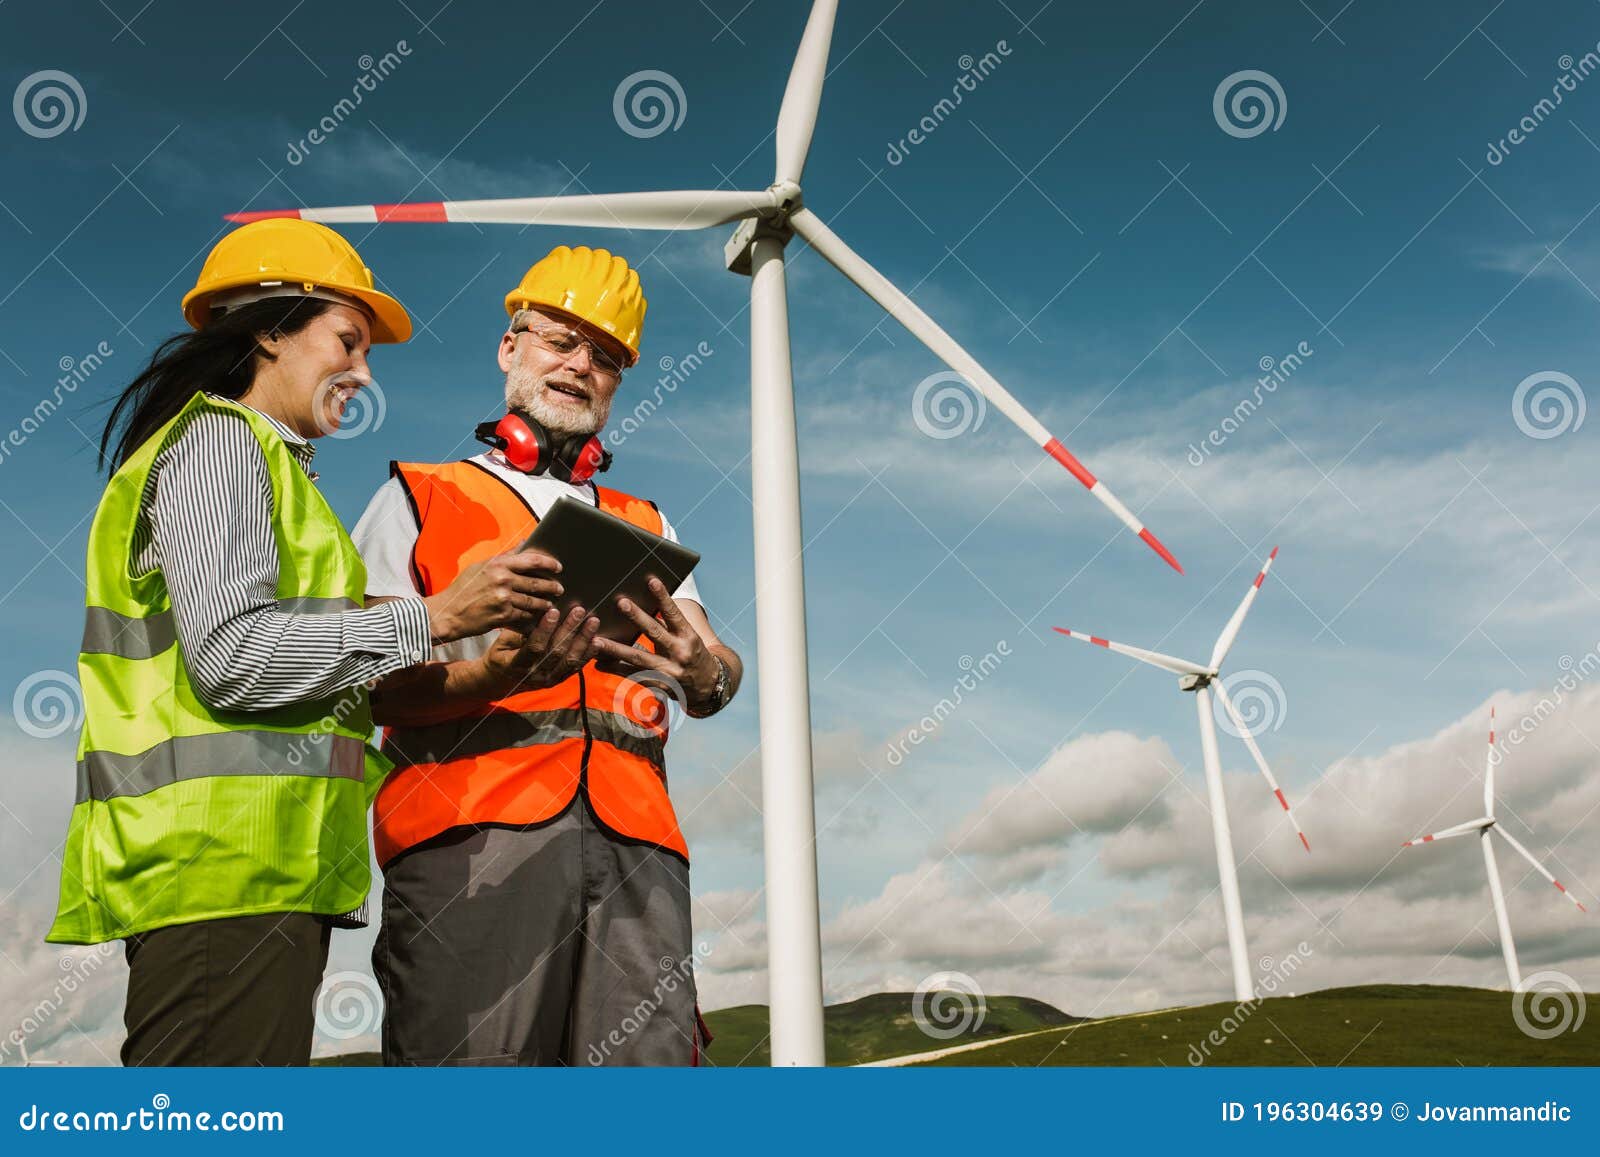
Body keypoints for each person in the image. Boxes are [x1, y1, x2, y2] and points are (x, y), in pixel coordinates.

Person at [46, 219, 562, 1066]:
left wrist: (483, 671)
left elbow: (312, 664)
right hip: (217, 875)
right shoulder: (217, 445)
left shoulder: (276, 475)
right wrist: (434, 615)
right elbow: (236, 660)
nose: (363, 373)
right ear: (268, 328)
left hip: (259, 878)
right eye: (348, 341)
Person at [353, 245, 742, 1066]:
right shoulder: (417, 495)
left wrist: (704, 674)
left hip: (639, 850)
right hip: (472, 844)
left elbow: (716, 670)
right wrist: (493, 675)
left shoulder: (645, 518)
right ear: (509, 347)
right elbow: (369, 687)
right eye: (559, 339)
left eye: (604, 357)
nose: (579, 365)